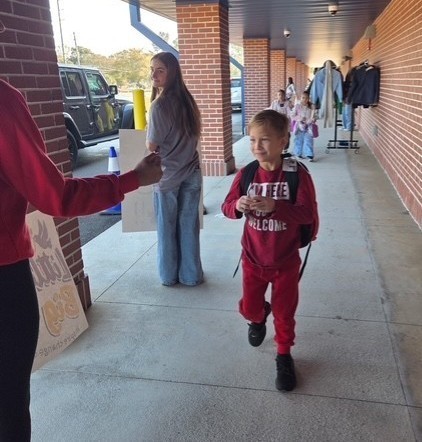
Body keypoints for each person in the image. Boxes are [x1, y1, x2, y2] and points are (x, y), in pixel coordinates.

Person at [0, 79, 163, 442]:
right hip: (4, 280)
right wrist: (133, 178)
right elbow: (56, 197)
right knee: (7, 405)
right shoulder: (3, 102)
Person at [221, 110, 318, 392]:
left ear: (283, 141)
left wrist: (277, 206)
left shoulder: (297, 174)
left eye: (264, 140)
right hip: (252, 259)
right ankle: (257, 317)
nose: (257, 147)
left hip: (285, 261)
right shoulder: (247, 173)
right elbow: (227, 208)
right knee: (250, 307)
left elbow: (307, 214)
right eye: (252, 140)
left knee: (285, 312)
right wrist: (237, 205)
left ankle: (284, 355)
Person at [146, 52, 203, 287]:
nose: (154, 74)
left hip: (167, 175)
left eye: (160, 70)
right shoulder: (188, 101)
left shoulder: (159, 107)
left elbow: (152, 145)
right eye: (152, 69)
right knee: (189, 227)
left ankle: (169, 276)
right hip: (191, 170)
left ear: (172, 72)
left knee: (166, 229)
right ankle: (191, 276)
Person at [291, 91, 318, 161]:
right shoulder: (297, 106)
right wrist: (299, 118)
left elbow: (315, 115)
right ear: (300, 98)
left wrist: (314, 119)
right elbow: (292, 115)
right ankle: (297, 153)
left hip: (309, 126)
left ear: (309, 98)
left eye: (306, 98)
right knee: (298, 140)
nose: (304, 99)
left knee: (308, 140)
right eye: (303, 98)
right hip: (299, 126)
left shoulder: (312, 106)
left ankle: (309, 155)